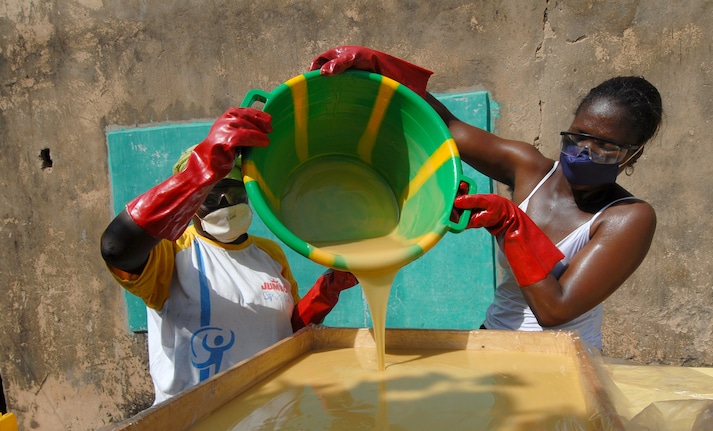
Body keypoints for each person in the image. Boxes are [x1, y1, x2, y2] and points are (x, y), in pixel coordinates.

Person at [310, 46, 662, 350]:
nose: (584, 150)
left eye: (605, 144)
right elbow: (447, 127)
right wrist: (380, 68)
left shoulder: (627, 218)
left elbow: (556, 309)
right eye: (579, 134)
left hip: (562, 360)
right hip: (494, 340)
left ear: (633, 155)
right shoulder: (529, 170)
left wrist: (510, 225)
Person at [101, 108, 357, 404]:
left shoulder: (269, 254)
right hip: (194, 424)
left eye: (235, 193)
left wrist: (328, 290)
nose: (225, 202)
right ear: (191, 202)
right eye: (210, 196)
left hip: (269, 415)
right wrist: (200, 171)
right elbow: (116, 248)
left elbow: (285, 332)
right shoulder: (172, 251)